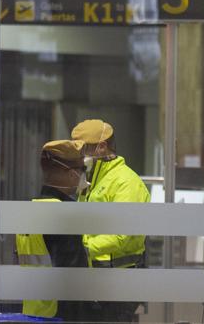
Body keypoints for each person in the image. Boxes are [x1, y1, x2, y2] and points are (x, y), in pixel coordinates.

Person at [71, 119, 150, 323]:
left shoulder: (127, 182)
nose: (79, 155)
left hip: (119, 283)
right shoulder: (90, 181)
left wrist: (82, 248)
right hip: (94, 279)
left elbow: (121, 235)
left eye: (83, 149)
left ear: (102, 147)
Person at [15, 140, 93, 322]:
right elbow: (73, 276)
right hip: (60, 314)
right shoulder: (62, 215)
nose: (83, 175)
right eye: (82, 170)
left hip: (33, 311)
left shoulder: (30, 209)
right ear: (70, 173)